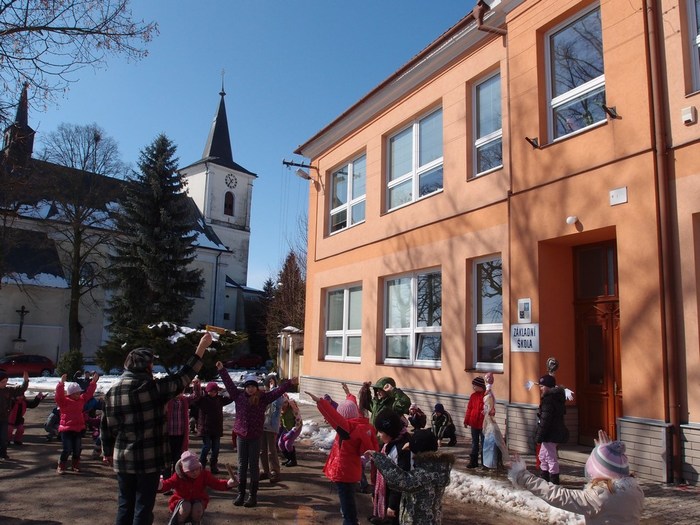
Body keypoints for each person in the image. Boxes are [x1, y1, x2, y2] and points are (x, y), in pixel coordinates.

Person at [101, 331, 212, 525]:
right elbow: (184, 377)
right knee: (143, 507)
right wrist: (201, 348)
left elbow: (106, 426)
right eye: (151, 364)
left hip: (123, 458)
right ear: (146, 367)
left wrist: (107, 451)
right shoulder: (154, 388)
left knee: (125, 505)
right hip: (149, 459)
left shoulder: (112, 392)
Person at [508, 430, 644, 524]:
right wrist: (605, 453)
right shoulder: (636, 491)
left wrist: (523, 477)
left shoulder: (598, 497)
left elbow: (557, 495)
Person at [217, 364, 298, 508]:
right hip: (242, 436)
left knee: (254, 465)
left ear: (256, 387)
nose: (250, 389)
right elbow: (229, 384)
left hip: (255, 437)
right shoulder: (238, 396)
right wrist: (222, 370)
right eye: (248, 386)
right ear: (245, 387)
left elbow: (277, 392)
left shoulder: (262, 398)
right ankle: (241, 493)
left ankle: (252, 495)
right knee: (242, 465)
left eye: (253, 386)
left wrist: (289, 383)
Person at [306, 390, 378, 525]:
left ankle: (350, 522)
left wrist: (320, 402)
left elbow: (333, 416)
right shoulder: (359, 426)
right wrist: (349, 395)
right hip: (352, 472)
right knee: (348, 501)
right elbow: (351, 405)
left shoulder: (346, 429)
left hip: (343, 473)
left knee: (347, 508)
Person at [366, 429, 455, 525]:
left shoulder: (423, 474)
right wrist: (413, 445)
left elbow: (399, 480)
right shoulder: (437, 469)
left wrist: (379, 458)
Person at [158, 450, 238, 525]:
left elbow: (216, 483)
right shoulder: (178, 476)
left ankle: (196, 522)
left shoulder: (204, 474)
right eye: (191, 471)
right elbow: (168, 484)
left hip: (198, 500)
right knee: (185, 506)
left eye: (197, 469)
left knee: (198, 508)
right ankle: (179, 522)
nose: (195, 472)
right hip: (181, 501)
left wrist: (228, 484)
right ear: (184, 470)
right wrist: (160, 485)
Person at [370, 409, 411, 525]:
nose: (378, 435)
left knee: (394, 519)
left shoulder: (400, 449)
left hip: (398, 497)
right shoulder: (389, 443)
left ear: (390, 432)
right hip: (388, 490)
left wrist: (392, 505)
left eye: (380, 432)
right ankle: (382, 517)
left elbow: (399, 480)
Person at [55, 372, 98, 473]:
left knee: (77, 449)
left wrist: (93, 382)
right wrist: (61, 384)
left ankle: (75, 464)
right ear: (70, 394)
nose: (78, 395)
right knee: (67, 449)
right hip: (66, 429)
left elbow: (89, 393)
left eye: (79, 393)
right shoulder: (64, 401)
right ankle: (61, 464)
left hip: (78, 429)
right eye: (76, 393)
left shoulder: (81, 400)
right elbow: (59, 396)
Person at [190, 378, 232, 474]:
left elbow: (231, 397)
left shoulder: (220, 399)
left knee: (216, 448)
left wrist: (224, 391)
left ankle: (213, 465)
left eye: (214, 391)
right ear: (207, 391)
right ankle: (202, 464)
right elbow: (195, 398)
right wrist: (196, 386)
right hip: (206, 428)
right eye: (210, 391)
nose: (212, 393)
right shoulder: (203, 400)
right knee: (207, 446)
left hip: (217, 428)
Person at [535, 374, 569, 484]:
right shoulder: (556, 398)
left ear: (548, 386)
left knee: (550, 457)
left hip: (550, 433)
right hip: (551, 433)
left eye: (542, 386)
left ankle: (554, 481)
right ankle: (544, 478)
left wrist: (539, 436)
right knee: (543, 456)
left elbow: (545, 420)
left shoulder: (549, 400)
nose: (540, 389)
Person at [481, 372, 509, 469]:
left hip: (490, 421)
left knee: (493, 441)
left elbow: (490, 406)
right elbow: (487, 406)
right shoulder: (488, 394)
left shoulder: (489, 395)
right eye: (488, 378)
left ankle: (492, 462)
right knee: (491, 441)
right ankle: (490, 462)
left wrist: (489, 411)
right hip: (488, 420)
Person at [260, 374, 284, 483]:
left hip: (271, 426)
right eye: (268, 383)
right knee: (262, 450)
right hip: (261, 425)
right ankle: (265, 470)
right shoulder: (263, 395)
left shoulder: (278, 394)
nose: (268, 386)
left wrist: (274, 389)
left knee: (271, 450)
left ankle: (275, 471)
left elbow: (278, 403)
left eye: (271, 382)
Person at [0, 370, 28, 460]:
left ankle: (3, 453)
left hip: (4, 418)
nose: (5, 383)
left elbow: (20, 389)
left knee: (3, 437)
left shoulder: (8, 390)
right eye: (2, 382)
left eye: (6, 381)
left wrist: (25, 381)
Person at [165, 391, 191, 479]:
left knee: (178, 460)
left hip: (180, 435)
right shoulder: (167, 400)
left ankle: (175, 480)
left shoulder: (184, 400)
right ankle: (166, 481)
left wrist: (196, 385)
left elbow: (196, 396)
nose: (178, 393)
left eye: (180, 391)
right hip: (168, 435)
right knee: (167, 460)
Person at [463, 376, 486, 469]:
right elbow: (469, 409)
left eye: (475, 385)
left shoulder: (486, 396)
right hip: (474, 423)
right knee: (474, 443)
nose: (473, 387)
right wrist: (466, 420)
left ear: (480, 386)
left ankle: (485, 463)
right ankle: (473, 462)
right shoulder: (473, 396)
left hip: (483, 424)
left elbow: (491, 408)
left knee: (484, 443)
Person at [278, 393, 303, 468]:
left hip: (296, 427)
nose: (284, 405)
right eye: (282, 403)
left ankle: (293, 460)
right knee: (280, 444)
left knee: (288, 444)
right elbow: (280, 420)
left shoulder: (293, 408)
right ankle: (289, 459)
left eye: (285, 402)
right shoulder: (279, 409)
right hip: (286, 428)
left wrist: (292, 432)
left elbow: (298, 421)